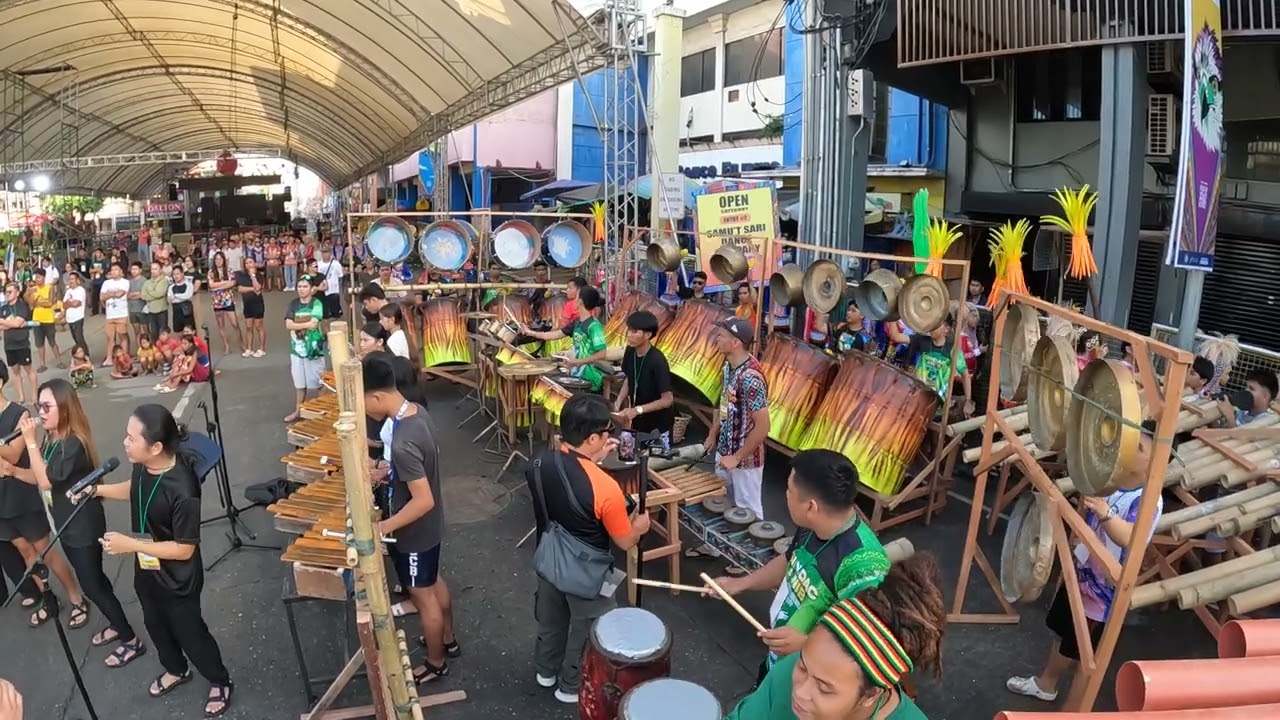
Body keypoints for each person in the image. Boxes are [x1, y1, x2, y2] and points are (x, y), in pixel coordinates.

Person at [76, 404, 234, 716]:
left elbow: (185, 549)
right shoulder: (142, 465)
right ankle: (176, 669)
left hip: (178, 580)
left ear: (156, 446)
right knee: (155, 625)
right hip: (148, 571)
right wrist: (96, 490)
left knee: (191, 633)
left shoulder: (184, 489)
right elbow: (135, 490)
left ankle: (220, 679)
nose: (125, 442)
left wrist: (130, 544)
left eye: (131, 438)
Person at [1007, 419, 1163, 703]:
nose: (1130, 451)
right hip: (1080, 574)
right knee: (1063, 637)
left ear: (1156, 462)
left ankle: (1071, 712)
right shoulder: (1113, 479)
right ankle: (1046, 684)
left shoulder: (1149, 499)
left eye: (1139, 448)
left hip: (1103, 593)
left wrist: (1104, 514)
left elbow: (1130, 537)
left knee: (1086, 660)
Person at [712, 450, 890, 682]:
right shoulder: (812, 525)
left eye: (789, 490)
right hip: (780, 663)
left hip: (814, 681)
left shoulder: (864, 567)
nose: (785, 495)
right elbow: (790, 561)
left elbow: (870, 645)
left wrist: (806, 643)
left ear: (811, 506)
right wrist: (739, 584)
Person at [524, 393, 651, 704]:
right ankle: (570, 686)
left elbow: (570, 476)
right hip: (585, 572)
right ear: (593, 437)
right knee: (589, 628)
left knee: (551, 621)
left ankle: (545, 671)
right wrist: (640, 527)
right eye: (605, 433)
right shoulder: (606, 487)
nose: (609, 438)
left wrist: (592, 459)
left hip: (549, 556)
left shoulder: (539, 462)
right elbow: (624, 541)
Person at [9, 379, 145, 665]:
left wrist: (30, 442)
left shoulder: (72, 444)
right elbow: (39, 476)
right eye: (38, 405)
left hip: (82, 526)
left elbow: (46, 480)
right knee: (94, 582)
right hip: (67, 523)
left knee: (93, 585)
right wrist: (11, 470)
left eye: (46, 406)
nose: (40, 412)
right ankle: (117, 624)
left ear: (65, 408)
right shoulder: (52, 437)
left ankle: (131, 640)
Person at [725, 554, 946, 720]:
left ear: (871, 694)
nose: (800, 692)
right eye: (803, 667)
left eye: (824, 688)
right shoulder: (787, 675)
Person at [362, 354, 458, 683]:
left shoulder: (402, 440)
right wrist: (389, 472)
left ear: (376, 396)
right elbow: (420, 467)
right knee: (433, 581)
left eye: (363, 402)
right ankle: (448, 639)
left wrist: (382, 527)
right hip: (430, 530)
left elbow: (423, 500)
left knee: (422, 595)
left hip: (415, 531)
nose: (365, 411)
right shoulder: (417, 415)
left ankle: (436, 663)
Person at [0, 363, 87, 629]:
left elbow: (14, 454)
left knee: (44, 550)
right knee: (23, 550)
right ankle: (48, 599)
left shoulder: (19, 414)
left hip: (21, 495)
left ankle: (77, 598)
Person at [691, 317, 770, 562]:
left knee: (748, 509)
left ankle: (750, 560)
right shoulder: (728, 367)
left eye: (722, 335)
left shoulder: (751, 378)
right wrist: (713, 433)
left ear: (735, 343)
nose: (717, 338)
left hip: (745, 458)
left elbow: (764, 426)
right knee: (718, 500)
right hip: (725, 449)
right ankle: (715, 546)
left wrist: (737, 457)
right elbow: (725, 405)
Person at [519, 286, 609, 392]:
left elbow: (602, 353)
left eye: (576, 298)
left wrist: (578, 362)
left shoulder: (594, 327)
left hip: (590, 378)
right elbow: (554, 335)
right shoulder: (577, 323)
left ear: (580, 301)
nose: (572, 301)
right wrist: (530, 332)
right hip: (577, 375)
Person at [615, 310, 675, 447]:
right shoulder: (630, 350)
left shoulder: (657, 360)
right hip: (636, 421)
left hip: (657, 426)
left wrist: (638, 410)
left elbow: (667, 400)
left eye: (634, 332)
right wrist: (618, 403)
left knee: (652, 464)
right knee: (629, 458)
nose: (629, 335)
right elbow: (629, 379)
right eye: (628, 330)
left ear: (647, 335)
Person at [908, 314, 974, 418]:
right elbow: (895, 336)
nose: (932, 327)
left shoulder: (953, 350)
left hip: (938, 406)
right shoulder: (922, 341)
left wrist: (968, 401)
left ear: (946, 329)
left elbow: (965, 376)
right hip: (917, 400)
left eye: (937, 325)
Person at [284, 277, 327, 423]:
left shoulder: (317, 303)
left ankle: (323, 411)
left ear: (311, 289)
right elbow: (288, 324)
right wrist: (305, 324)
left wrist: (298, 324)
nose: (301, 289)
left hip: (314, 350)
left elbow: (314, 323)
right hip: (296, 350)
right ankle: (298, 411)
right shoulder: (293, 304)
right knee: (299, 384)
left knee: (319, 383)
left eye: (304, 286)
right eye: (299, 286)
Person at [0, 284, 36, 404]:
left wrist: (5, 322)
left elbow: (17, 323)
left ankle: (34, 396)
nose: (7, 294)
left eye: (10, 291)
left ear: (17, 292)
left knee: (28, 369)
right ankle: (21, 396)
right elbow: (8, 325)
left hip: (22, 343)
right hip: (9, 344)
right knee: (15, 371)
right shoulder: (3, 308)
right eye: (6, 292)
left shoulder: (21, 306)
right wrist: (11, 323)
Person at [206, 252, 244, 356]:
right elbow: (211, 285)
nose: (218, 261)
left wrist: (217, 286)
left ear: (224, 260)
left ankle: (241, 343)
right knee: (221, 325)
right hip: (217, 302)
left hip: (228, 300)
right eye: (216, 259)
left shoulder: (229, 271)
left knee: (235, 323)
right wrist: (224, 284)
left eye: (220, 259)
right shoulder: (211, 272)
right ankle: (226, 345)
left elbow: (232, 283)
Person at [27, 269, 62, 373]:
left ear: (44, 277)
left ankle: (59, 361)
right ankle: (42, 364)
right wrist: (30, 294)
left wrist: (39, 302)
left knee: (52, 341)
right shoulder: (34, 289)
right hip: (37, 319)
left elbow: (50, 303)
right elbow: (31, 304)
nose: (37, 279)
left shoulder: (49, 287)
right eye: (36, 277)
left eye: (39, 277)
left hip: (48, 318)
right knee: (39, 343)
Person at [100, 264, 132, 366]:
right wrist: (113, 293)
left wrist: (109, 294)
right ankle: (109, 358)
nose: (113, 272)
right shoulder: (106, 282)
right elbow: (102, 297)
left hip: (122, 313)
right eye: (112, 270)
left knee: (122, 335)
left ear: (121, 271)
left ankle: (124, 356)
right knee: (110, 337)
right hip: (110, 314)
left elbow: (121, 294)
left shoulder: (125, 282)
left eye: (116, 269)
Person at [236, 257, 267, 357]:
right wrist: (252, 288)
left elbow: (258, 289)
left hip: (258, 304)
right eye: (247, 263)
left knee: (259, 326)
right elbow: (240, 289)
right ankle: (249, 348)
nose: (249, 264)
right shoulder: (242, 276)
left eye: (250, 262)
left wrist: (253, 276)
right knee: (249, 327)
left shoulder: (259, 276)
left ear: (254, 263)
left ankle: (262, 349)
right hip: (247, 304)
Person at [141, 261, 171, 341]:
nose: (153, 271)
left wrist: (150, 291)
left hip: (161, 310)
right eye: (152, 269)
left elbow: (159, 293)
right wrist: (153, 293)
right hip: (151, 311)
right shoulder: (147, 282)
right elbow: (143, 295)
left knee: (163, 332)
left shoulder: (164, 281)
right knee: (154, 333)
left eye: (155, 269)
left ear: (160, 270)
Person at [62, 272, 89, 357]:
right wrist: (70, 303)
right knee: (75, 339)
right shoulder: (68, 291)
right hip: (70, 318)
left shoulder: (81, 290)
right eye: (69, 279)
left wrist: (69, 303)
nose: (71, 281)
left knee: (79, 338)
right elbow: (63, 304)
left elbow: (76, 303)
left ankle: (86, 355)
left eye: (72, 279)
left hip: (78, 318)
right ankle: (81, 355)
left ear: (77, 280)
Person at [317, 244, 345, 321]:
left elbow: (340, 275)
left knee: (336, 314)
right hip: (323, 292)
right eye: (323, 252)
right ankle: (327, 331)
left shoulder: (336, 264)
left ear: (330, 253)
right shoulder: (318, 265)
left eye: (327, 252)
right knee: (325, 315)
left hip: (333, 291)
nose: (325, 254)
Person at [126, 262, 149, 350]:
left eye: (136, 269)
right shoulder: (129, 282)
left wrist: (134, 295)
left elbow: (143, 295)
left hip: (142, 309)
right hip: (132, 310)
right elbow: (127, 295)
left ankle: (149, 348)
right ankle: (140, 350)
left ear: (140, 270)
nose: (133, 271)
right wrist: (136, 294)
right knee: (137, 332)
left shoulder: (144, 281)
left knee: (146, 331)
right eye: (132, 269)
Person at [168, 266, 195, 334]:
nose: (176, 276)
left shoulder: (189, 284)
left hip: (187, 313)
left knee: (189, 334)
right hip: (176, 313)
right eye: (174, 274)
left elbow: (188, 296)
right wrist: (181, 297)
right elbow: (170, 299)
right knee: (178, 333)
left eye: (177, 274)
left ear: (182, 274)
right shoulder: (171, 287)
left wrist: (175, 295)